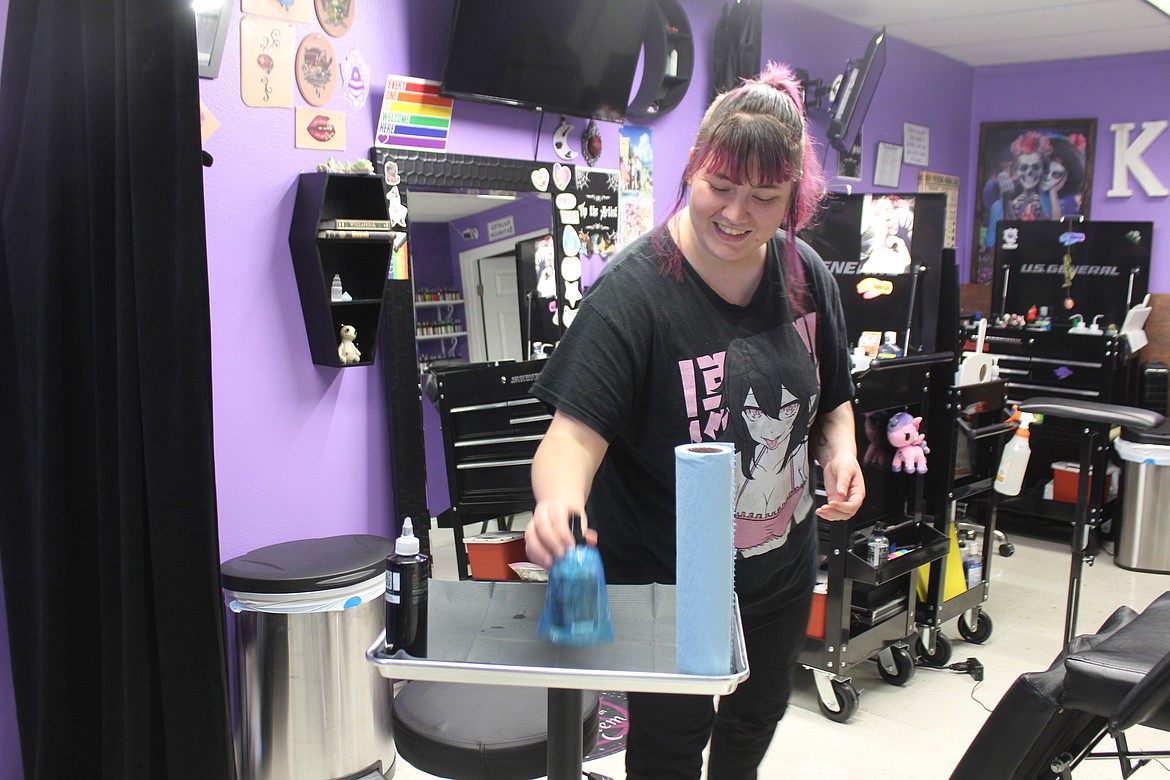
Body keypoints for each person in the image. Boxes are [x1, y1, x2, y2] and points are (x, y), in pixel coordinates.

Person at [524, 61, 865, 780]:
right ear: (691, 168)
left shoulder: (808, 277)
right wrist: (558, 504)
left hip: (781, 568)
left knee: (758, 714)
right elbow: (572, 439)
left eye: (765, 199)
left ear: (793, 206)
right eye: (719, 187)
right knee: (673, 743)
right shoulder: (634, 294)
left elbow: (833, 399)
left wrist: (842, 453)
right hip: (672, 583)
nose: (736, 214)